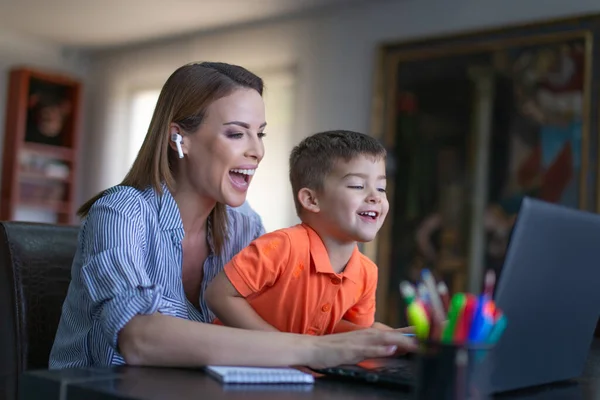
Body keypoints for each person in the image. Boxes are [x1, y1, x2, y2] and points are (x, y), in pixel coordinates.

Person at [48, 62, 415, 370]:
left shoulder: (245, 223)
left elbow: (283, 321)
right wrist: (316, 351)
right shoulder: (121, 212)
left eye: (260, 134)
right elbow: (139, 339)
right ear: (180, 139)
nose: (257, 150)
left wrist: (388, 338)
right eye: (237, 134)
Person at [206, 130, 397, 335]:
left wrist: (398, 336)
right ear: (311, 200)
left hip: (301, 367)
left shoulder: (367, 273)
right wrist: (281, 345)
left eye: (381, 188)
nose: (375, 197)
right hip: (233, 362)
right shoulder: (282, 247)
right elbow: (218, 296)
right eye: (357, 185)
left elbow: (350, 335)